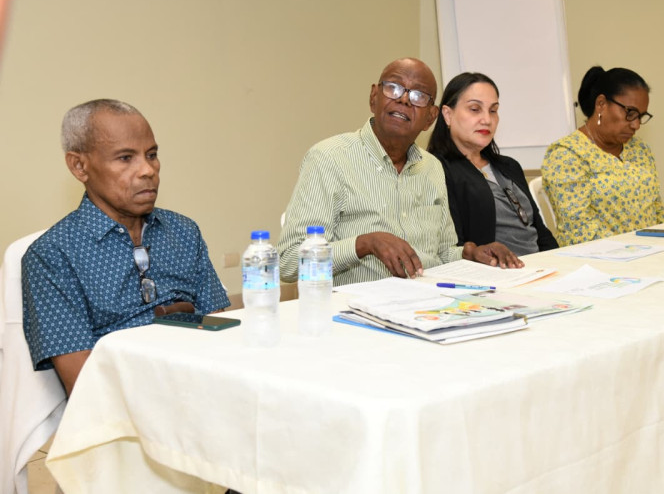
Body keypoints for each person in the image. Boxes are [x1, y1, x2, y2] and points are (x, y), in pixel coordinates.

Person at [22, 99, 230, 396]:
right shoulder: (53, 255)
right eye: (125, 158)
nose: (148, 170)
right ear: (79, 166)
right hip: (126, 407)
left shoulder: (184, 232)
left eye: (152, 154)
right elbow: (85, 384)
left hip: (206, 384)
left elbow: (220, 327)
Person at [278, 58, 522, 286]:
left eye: (418, 96)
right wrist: (364, 243)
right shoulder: (328, 158)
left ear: (430, 118)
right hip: (360, 310)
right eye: (393, 88)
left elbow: (442, 252)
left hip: (430, 302)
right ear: (374, 97)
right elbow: (288, 261)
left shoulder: (432, 167)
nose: (404, 100)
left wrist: (470, 253)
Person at [427, 72, 558, 257]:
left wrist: (560, 264)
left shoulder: (509, 166)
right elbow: (453, 246)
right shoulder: (438, 170)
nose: (487, 119)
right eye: (475, 109)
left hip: (540, 270)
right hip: (494, 275)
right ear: (448, 115)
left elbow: (540, 232)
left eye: (493, 110)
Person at [541, 66, 664, 246]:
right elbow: (579, 229)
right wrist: (634, 251)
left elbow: (657, 210)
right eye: (630, 113)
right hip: (599, 260)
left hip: (650, 254)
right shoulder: (567, 154)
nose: (636, 125)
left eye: (641, 116)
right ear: (601, 104)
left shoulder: (639, 149)